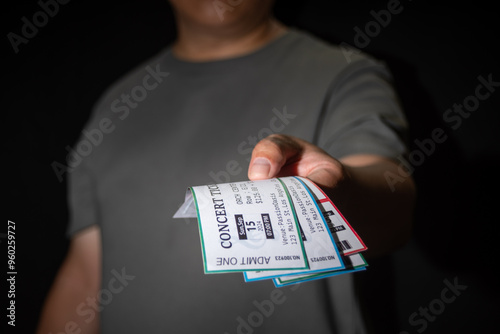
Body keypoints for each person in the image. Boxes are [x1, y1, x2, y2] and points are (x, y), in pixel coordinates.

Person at [37, 0, 415, 333]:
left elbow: (394, 208)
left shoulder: (346, 73)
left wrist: (330, 195)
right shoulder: (115, 103)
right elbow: (86, 276)